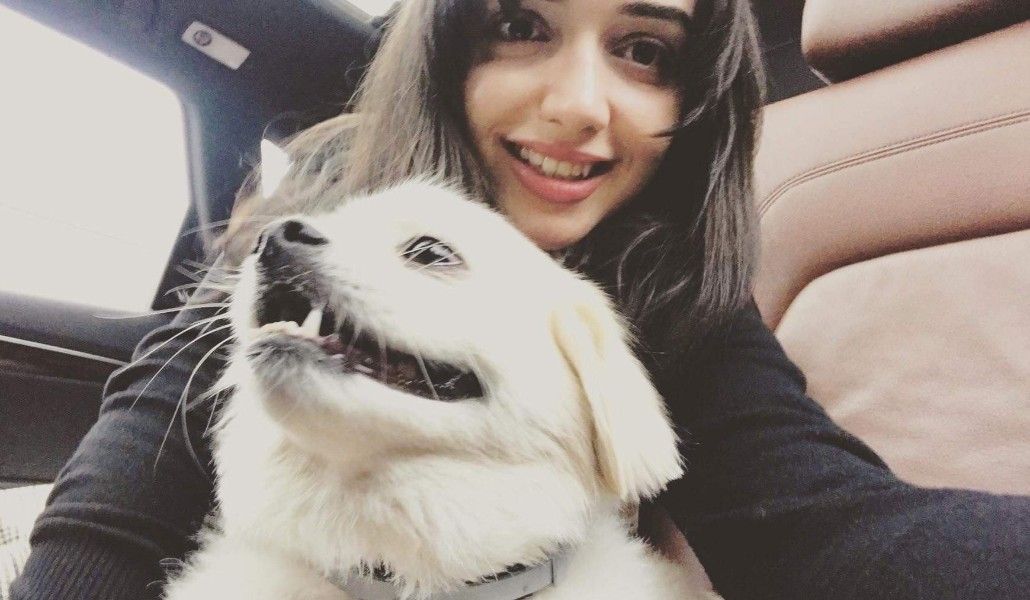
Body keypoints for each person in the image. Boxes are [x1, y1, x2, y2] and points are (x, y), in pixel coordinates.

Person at [10, 0, 1028, 598]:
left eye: (645, 50)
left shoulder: (672, 297)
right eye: (520, 26)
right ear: (447, 49)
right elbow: (116, 511)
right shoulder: (321, 207)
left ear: (693, 100)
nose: (578, 105)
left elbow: (818, 534)